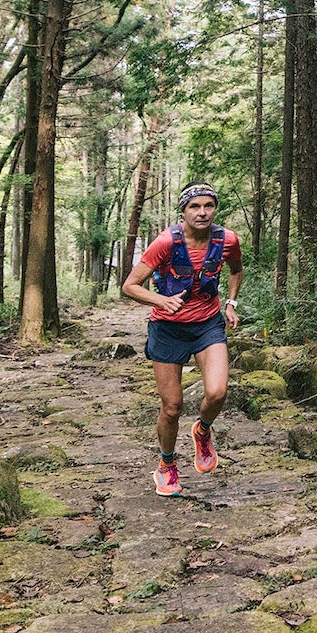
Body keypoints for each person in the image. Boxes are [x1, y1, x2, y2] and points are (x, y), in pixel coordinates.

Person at [121, 183, 244, 494]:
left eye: (208, 206)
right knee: (172, 407)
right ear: (183, 211)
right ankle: (167, 464)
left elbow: (235, 269)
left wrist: (231, 303)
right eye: (194, 206)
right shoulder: (165, 242)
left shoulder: (227, 240)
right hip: (167, 329)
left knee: (217, 392)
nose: (202, 212)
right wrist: (161, 301)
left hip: (207, 325)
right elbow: (130, 286)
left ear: (215, 208)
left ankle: (202, 432)